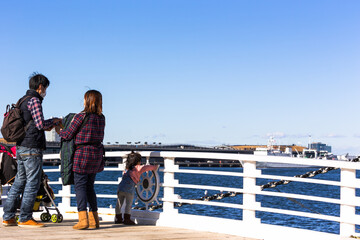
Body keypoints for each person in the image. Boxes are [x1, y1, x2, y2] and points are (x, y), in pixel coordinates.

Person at [2, 73, 61, 228]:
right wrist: (54, 122)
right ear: (40, 86)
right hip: (32, 147)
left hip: (20, 146)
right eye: (45, 88)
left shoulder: (21, 100)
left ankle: (8, 217)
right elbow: (40, 124)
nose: (45, 91)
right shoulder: (34, 101)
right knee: (32, 183)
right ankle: (25, 218)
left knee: (19, 182)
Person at [58, 90, 105, 230]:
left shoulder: (81, 116)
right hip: (96, 155)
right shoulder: (101, 117)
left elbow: (67, 135)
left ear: (87, 100)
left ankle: (83, 219)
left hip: (82, 155)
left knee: (80, 187)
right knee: (90, 187)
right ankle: (94, 220)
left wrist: (58, 129)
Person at [115, 151, 159, 225]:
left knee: (119, 203)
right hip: (129, 189)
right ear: (138, 161)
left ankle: (118, 218)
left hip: (121, 188)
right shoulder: (138, 168)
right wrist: (155, 167)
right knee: (128, 204)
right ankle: (127, 219)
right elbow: (147, 167)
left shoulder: (126, 169)